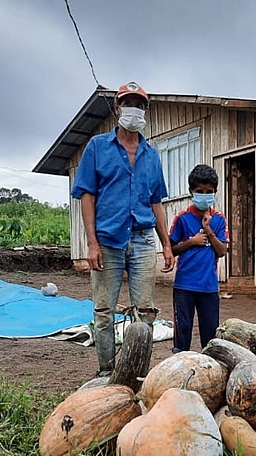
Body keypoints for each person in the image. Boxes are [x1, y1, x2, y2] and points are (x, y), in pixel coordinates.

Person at [70, 81, 174, 376]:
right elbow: (86, 195)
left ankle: (137, 372)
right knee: (104, 311)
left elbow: (156, 203)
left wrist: (165, 244)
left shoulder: (151, 155)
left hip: (142, 240)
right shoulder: (97, 147)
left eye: (139, 105)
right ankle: (106, 372)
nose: (134, 110)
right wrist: (91, 243)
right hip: (107, 241)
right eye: (128, 104)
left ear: (145, 111)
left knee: (146, 312)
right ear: (117, 108)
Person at [168, 164, 228, 353]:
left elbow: (222, 251)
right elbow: (171, 249)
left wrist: (208, 230)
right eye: (199, 191)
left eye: (208, 192)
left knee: (210, 337)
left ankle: (210, 370)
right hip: (184, 286)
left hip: (209, 287)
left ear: (215, 192)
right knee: (182, 335)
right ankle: (178, 367)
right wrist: (191, 242)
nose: (204, 195)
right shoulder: (182, 218)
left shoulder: (219, 219)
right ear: (191, 192)